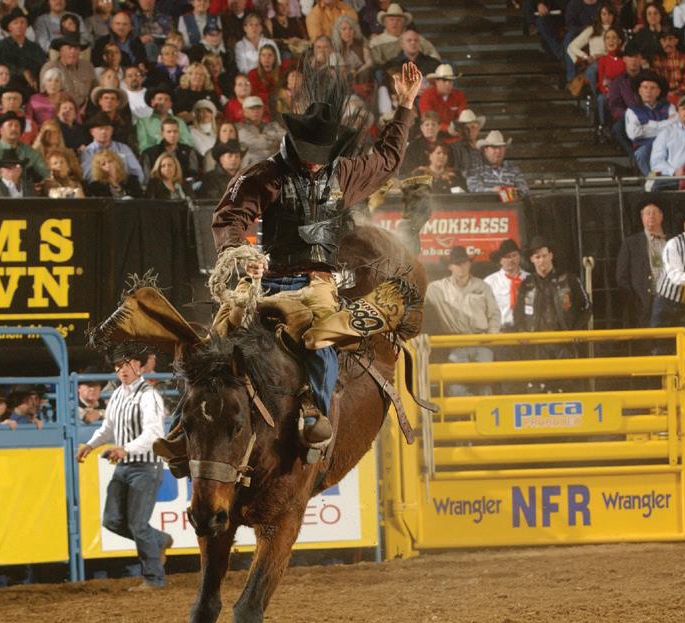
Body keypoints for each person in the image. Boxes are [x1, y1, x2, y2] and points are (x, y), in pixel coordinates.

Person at [199, 61, 423, 448]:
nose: (315, 160)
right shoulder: (265, 174)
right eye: (309, 152)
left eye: (321, 153)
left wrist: (405, 106)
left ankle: (317, 413)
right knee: (218, 337)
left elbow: (386, 160)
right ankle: (188, 421)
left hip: (317, 282)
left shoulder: (344, 172)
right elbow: (230, 215)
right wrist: (239, 252)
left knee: (320, 339)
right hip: (269, 279)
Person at [75, 345, 172, 591]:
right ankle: (160, 540)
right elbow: (108, 428)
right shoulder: (118, 394)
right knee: (112, 520)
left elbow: (154, 434)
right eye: (118, 366)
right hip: (125, 466)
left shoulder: (149, 395)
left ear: (139, 366)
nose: (122, 370)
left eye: (127, 364)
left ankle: (154, 578)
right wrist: (90, 445)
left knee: (137, 524)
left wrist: (125, 448)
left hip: (145, 466)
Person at [422, 245, 500, 396]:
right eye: (457, 264)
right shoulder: (437, 289)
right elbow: (416, 300)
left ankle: (482, 411)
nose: (462, 267)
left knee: (485, 387)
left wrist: (491, 336)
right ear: (450, 266)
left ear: (469, 264)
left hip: (481, 342)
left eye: (464, 263)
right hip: (455, 344)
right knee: (456, 388)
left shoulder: (482, 286)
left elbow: (495, 314)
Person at [513, 237, 592, 369]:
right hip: (537, 345)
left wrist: (576, 330)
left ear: (551, 255)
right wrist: (522, 332)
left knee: (566, 378)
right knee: (539, 380)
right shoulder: (526, 284)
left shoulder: (569, 279)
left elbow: (587, 307)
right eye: (537, 257)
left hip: (564, 342)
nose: (541, 260)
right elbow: (518, 313)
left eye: (544, 256)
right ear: (532, 259)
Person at [615, 199, 667, 327]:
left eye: (654, 213)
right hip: (642, 304)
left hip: (668, 300)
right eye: (647, 213)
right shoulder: (631, 243)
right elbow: (622, 277)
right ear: (642, 217)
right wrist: (635, 300)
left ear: (661, 216)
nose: (651, 216)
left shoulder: (672, 241)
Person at [466, 130, 530, 198]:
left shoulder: (513, 169)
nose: (498, 151)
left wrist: (509, 193)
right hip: (487, 204)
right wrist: (492, 191)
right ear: (485, 149)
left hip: (510, 204)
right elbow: (473, 189)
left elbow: (525, 189)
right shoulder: (475, 169)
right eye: (494, 147)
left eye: (501, 147)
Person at [483, 238, 528, 330]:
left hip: (524, 331)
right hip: (500, 331)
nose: (511, 260)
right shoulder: (490, 282)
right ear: (500, 260)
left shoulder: (530, 279)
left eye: (514, 255)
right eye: (507, 257)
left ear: (519, 257)